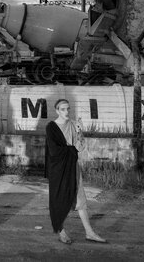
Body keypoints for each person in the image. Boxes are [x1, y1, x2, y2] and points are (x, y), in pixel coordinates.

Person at [45, 99, 106, 245]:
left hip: (72, 166)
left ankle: (89, 232)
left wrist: (80, 131)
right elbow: (54, 150)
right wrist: (73, 148)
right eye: (63, 109)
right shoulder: (51, 127)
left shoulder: (73, 124)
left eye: (68, 109)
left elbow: (81, 146)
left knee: (81, 199)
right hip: (58, 170)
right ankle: (61, 231)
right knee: (59, 200)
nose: (66, 112)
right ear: (57, 111)